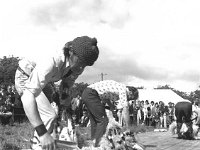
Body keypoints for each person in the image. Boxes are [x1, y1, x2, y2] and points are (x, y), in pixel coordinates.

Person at [15, 36, 99, 150]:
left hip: (46, 81)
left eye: (85, 65)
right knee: (49, 115)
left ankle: (41, 142)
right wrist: (43, 132)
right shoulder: (52, 61)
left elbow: (66, 86)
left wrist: (65, 102)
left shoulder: (76, 67)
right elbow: (28, 96)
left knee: (54, 113)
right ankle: (40, 142)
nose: (81, 67)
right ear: (70, 52)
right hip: (25, 76)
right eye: (80, 62)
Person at [81, 80, 139, 147]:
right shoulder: (123, 90)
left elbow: (105, 97)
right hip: (92, 94)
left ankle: (94, 143)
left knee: (95, 121)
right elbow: (125, 110)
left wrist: (111, 105)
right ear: (130, 92)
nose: (128, 100)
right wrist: (128, 127)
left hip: (87, 93)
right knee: (103, 120)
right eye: (130, 98)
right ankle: (98, 144)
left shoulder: (118, 87)